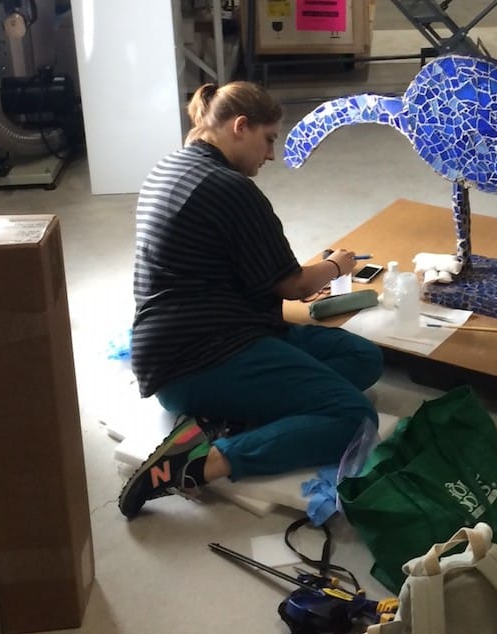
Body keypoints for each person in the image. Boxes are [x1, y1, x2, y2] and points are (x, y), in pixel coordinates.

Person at [118, 80, 383, 519]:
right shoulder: (230, 188)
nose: (271, 155)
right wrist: (338, 264)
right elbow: (294, 285)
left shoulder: (170, 166)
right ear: (240, 127)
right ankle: (199, 463)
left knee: (364, 360)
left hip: (205, 336)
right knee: (354, 418)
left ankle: (228, 415)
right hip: (196, 359)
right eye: (268, 139)